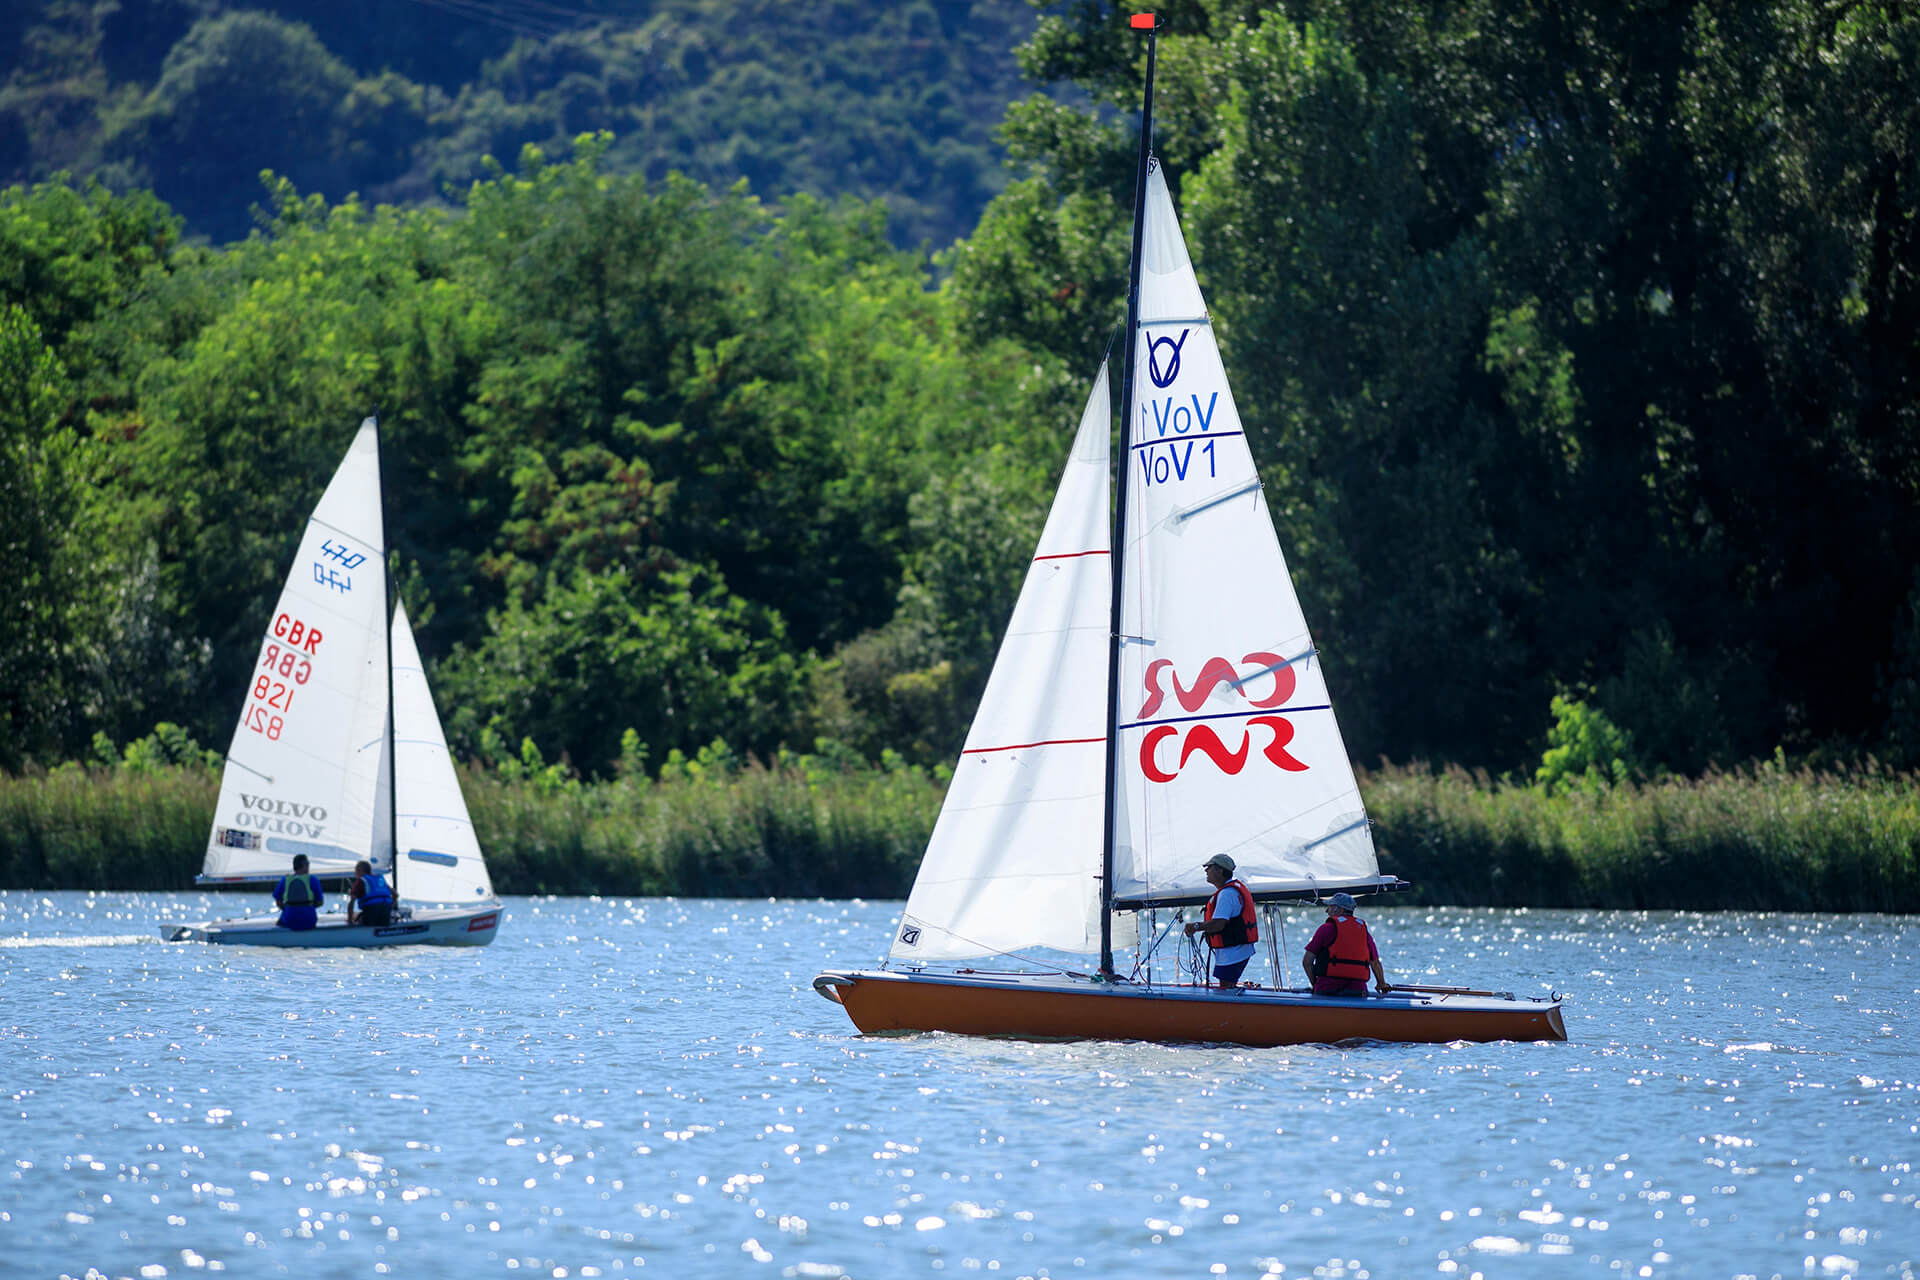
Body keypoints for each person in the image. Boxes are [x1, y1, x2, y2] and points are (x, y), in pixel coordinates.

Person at [1183, 853, 1258, 988]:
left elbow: (1219, 924)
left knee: (1226, 989)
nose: (1206, 870)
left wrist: (1195, 926)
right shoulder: (1231, 890)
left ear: (1219, 871)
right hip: (1235, 950)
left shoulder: (1227, 894)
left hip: (1233, 952)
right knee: (1226, 988)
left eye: (1209, 867)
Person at [1302, 891, 1390, 996]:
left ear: (1339, 909)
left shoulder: (1325, 929)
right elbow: (1375, 963)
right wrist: (1381, 983)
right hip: (1357, 991)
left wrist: (1315, 985)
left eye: (1330, 907)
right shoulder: (1364, 933)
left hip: (1327, 988)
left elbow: (1307, 962)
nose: (1326, 910)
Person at [272, 854, 323, 931]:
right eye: (308, 864)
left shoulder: (285, 880)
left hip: (290, 920)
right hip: (309, 920)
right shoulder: (313, 880)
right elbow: (320, 902)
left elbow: (278, 902)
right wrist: (306, 907)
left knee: (280, 921)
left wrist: (291, 908)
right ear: (304, 865)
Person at [347, 859, 393, 926]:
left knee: (356, 917)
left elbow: (351, 902)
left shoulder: (361, 881)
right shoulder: (380, 879)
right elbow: (395, 895)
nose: (355, 873)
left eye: (356, 870)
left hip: (371, 916)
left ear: (360, 870)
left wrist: (350, 920)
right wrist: (389, 910)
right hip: (385, 915)